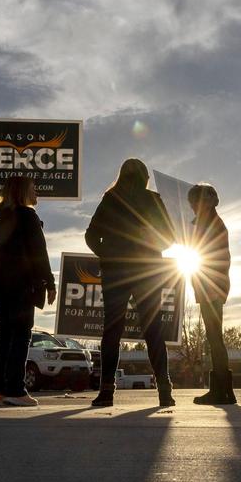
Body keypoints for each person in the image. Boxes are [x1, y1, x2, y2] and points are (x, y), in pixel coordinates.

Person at [85, 158, 176, 407]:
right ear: (145, 177)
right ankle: (165, 389)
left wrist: (106, 255)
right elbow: (170, 237)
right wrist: (150, 247)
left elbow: (91, 235)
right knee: (153, 330)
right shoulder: (154, 199)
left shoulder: (111, 198)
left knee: (111, 331)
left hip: (116, 273)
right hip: (147, 272)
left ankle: (106, 391)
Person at [0, 176, 56, 407]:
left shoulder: (2, 217)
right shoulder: (27, 216)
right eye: (34, 188)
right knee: (21, 335)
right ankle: (16, 389)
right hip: (21, 285)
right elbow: (39, 254)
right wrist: (50, 283)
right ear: (24, 191)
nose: (37, 193)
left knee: (5, 336)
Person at [187, 183, 235, 405]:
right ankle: (225, 391)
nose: (192, 208)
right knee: (215, 338)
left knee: (214, 338)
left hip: (211, 286)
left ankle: (221, 391)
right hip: (214, 285)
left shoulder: (209, 224)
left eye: (193, 203)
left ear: (200, 203)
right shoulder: (210, 222)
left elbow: (208, 257)